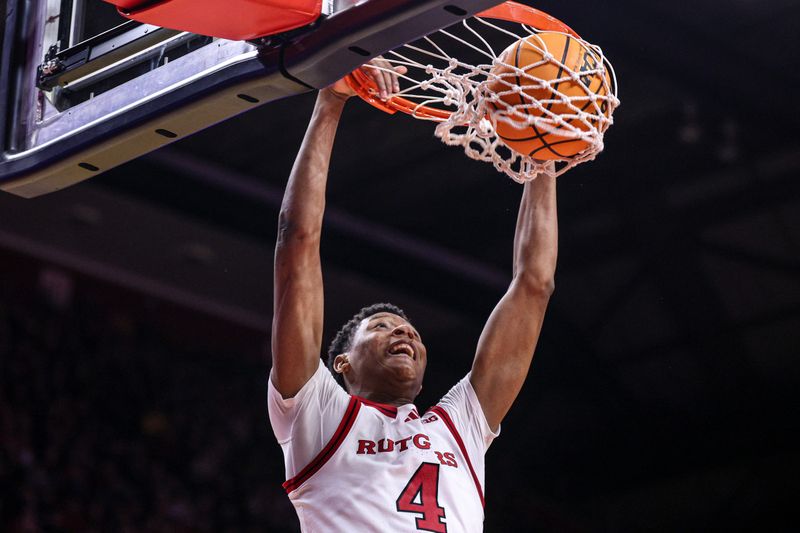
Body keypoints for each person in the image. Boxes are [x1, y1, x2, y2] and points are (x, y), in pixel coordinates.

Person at [267, 59, 558, 532]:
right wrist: (331, 100)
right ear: (341, 363)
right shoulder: (316, 413)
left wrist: (542, 158)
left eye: (410, 331)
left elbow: (534, 285)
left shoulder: (457, 425)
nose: (403, 329)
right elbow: (296, 242)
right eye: (381, 325)